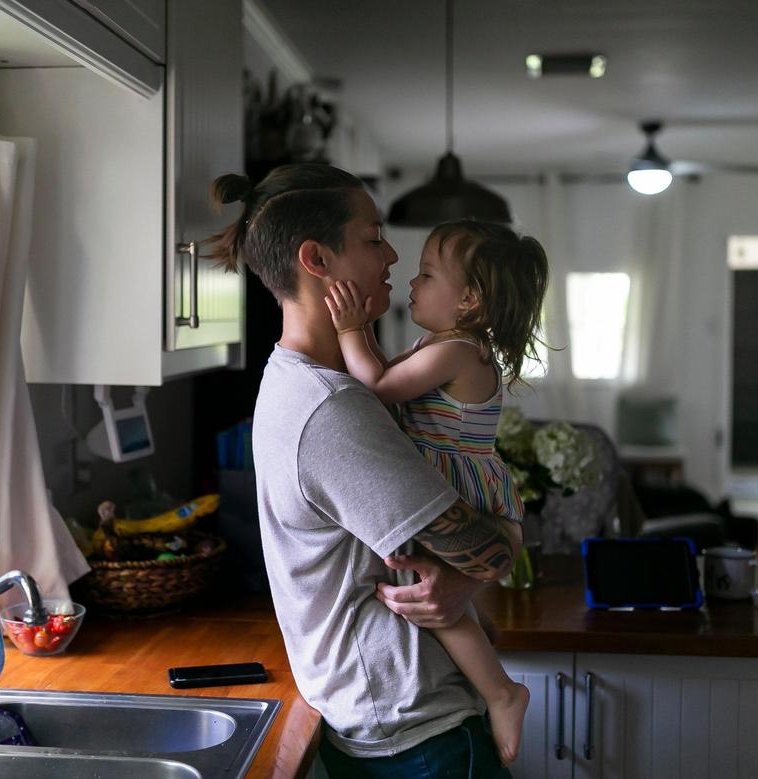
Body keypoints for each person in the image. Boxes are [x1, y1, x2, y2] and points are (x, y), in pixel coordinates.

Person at [204, 163, 522, 777]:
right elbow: (483, 553)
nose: (393, 255)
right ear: (317, 259)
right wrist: (500, 542)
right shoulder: (333, 410)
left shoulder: (296, 380)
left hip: (379, 714)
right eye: (373, 238)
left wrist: (465, 577)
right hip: (416, 732)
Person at [324, 220, 550, 765]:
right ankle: (484, 644)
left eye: (427, 274)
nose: (412, 280)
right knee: (444, 600)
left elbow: (378, 387)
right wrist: (361, 333)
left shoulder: (460, 351)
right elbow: (385, 376)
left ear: (468, 299)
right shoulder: (440, 344)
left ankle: (502, 693)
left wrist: (351, 328)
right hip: (449, 480)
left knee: (436, 604)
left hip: (457, 487)